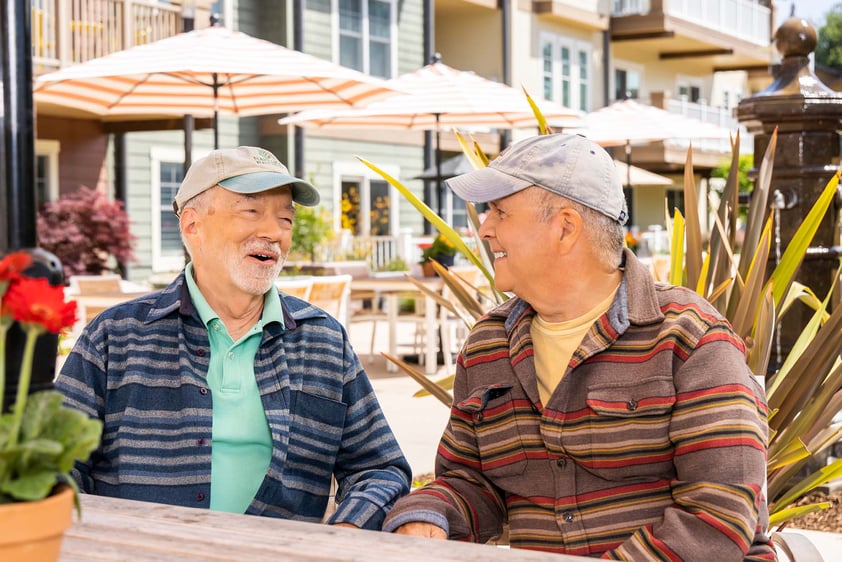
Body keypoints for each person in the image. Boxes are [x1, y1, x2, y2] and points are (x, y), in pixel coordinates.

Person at [382, 134, 775, 559]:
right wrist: (428, 514)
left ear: (565, 227)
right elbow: (471, 481)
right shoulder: (488, 345)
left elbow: (717, 513)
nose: (484, 227)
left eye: (500, 210)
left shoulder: (689, 338)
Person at [56, 146, 410, 529]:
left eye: (286, 218)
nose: (273, 232)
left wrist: (348, 529)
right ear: (192, 225)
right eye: (251, 211)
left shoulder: (322, 341)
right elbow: (52, 464)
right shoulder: (116, 336)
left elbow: (379, 467)